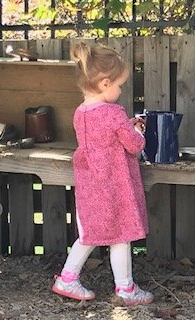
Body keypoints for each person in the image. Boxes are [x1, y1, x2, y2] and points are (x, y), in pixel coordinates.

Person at [51, 41, 153, 307]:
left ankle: (67, 278)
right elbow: (133, 145)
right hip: (113, 185)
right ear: (105, 83)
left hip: (90, 185)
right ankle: (126, 289)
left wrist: (124, 128)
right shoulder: (113, 113)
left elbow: (102, 140)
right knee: (121, 236)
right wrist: (138, 130)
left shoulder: (81, 112)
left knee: (89, 235)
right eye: (119, 85)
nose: (120, 90)